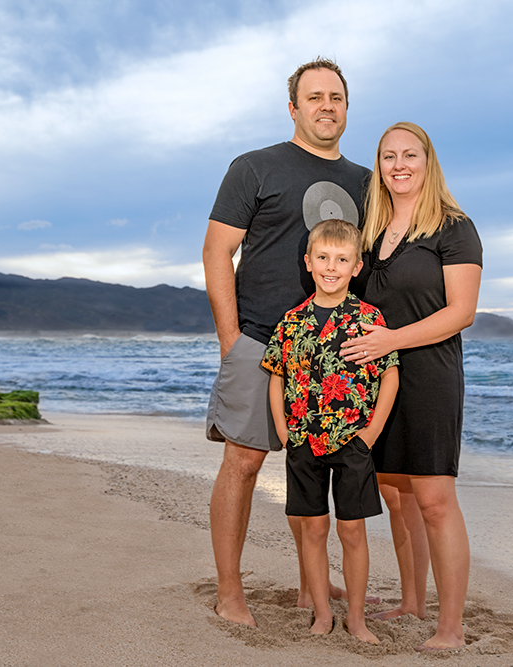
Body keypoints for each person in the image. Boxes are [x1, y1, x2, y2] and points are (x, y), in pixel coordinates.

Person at [202, 57, 371, 627]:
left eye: (337, 98)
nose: (327, 106)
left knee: (316, 463)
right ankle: (230, 593)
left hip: (332, 354)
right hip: (258, 339)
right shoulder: (253, 168)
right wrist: (232, 340)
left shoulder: (364, 183)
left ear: (347, 107)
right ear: (293, 106)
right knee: (244, 461)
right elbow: (216, 252)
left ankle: (311, 588)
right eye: (315, 96)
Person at [340, 121, 482, 651]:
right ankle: (412, 601)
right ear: (379, 166)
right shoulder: (372, 231)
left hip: (428, 376)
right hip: (377, 378)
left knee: (434, 498)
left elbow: (461, 312)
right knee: (394, 495)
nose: (399, 165)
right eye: (388, 156)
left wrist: (390, 340)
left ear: (428, 161)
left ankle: (451, 627)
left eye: (409, 155)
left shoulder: (454, 227)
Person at [261, 219, 399, 643]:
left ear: (357, 266)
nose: (331, 267)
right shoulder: (291, 321)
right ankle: (322, 613)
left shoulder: (368, 318)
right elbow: (277, 376)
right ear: (309, 261)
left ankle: (356, 618)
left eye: (342, 259)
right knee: (313, 528)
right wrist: (285, 432)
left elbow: (390, 375)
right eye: (323, 258)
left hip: (353, 440)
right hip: (303, 440)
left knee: (352, 530)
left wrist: (371, 434)